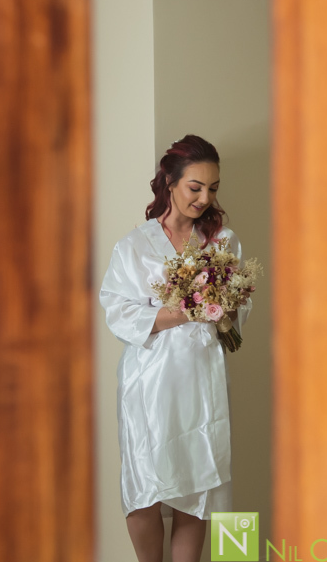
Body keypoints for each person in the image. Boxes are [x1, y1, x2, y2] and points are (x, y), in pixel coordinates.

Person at [99, 134, 252, 562]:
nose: (205, 199)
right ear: (170, 182)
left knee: (198, 486)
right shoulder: (134, 246)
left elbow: (237, 308)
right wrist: (187, 309)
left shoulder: (223, 242)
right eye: (195, 187)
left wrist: (223, 306)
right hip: (149, 381)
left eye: (213, 189)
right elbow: (118, 311)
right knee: (145, 488)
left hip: (203, 376)